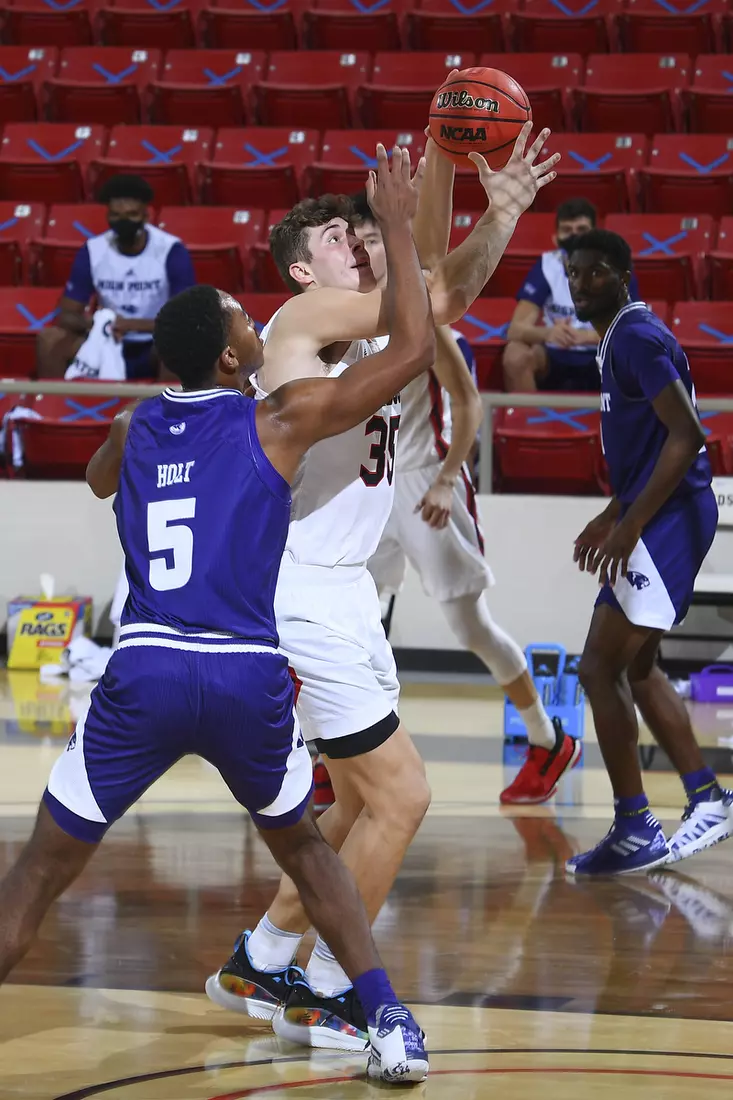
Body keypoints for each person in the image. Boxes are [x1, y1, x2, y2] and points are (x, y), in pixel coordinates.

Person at [0, 145, 438, 1084]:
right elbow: (409, 349)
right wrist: (396, 226)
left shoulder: (131, 424)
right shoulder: (275, 421)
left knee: (38, 872)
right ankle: (386, 1020)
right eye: (246, 322)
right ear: (238, 356)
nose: (253, 321)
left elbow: (98, 480)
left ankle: (276, 975)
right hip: (242, 674)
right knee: (312, 857)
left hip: (146, 668)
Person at [205, 123, 560, 1048]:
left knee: (359, 799)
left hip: (343, 590)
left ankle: (267, 952)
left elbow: (432, 272)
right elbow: (438, 286)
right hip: (301, 590)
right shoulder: (301, 323)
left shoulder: (377, 320)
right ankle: (327, 983)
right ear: (299, 273)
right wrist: (501, 208)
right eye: (337, 238)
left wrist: (445, 164)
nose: (357, 241)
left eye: (360, 233)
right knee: (403, 795)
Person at [351, 191, 580, 807]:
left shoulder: (422, 314)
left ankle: (547, 738)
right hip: (373, 487)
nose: (366, 249)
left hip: (429, 479)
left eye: (376, 239)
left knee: (469, 625)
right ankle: (336, 751)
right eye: (360, 240)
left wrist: (451, 477)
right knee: (349, 619)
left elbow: (471, 402)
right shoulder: (346, 316)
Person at [566, 228, 732, 876]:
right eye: (573, 273)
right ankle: (705, 799)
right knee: (636, 669)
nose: (581, 283)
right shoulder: (620, 339)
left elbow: (686, 436)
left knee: (596, 668)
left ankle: (635, 824)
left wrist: (630, 525)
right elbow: (645, 448)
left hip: (666, 521)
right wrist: (612, 511)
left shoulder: (635, 336)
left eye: (594, 272)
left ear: (623, 274)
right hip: (656, 515)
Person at [36, 174, 196, 381]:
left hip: (154, 344)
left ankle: (170, 412)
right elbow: (66, 314)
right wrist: (97, 325)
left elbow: (185, 319)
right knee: (49, 340)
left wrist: (132, 325)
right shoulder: (93, 250)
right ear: (108, 217)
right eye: (116, 215)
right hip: (106, 341)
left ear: (146, 217)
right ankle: (53, 409)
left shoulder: (171, 250)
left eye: (131, 215)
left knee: (180, 346)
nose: (124, 222)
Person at [503, 198, 639, 393]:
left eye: (581, 230)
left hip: (601, 353)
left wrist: (587, 337)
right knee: (515, 354)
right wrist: (548, 333)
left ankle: (627, 422)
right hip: (555, 354)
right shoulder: (546, 266)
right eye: (567, 230)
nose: (574, 236)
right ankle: (528, 421)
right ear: (555, 238)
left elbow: (632, 332)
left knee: (636, 354)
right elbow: (515, 329)